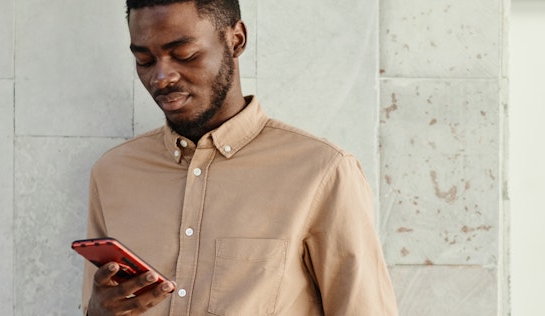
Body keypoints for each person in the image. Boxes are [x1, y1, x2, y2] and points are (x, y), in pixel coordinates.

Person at [81, 0, 398, 315]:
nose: (161, 77)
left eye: (184, 55)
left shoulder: (323, 171)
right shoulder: (113, 173)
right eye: (145, 60)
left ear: (236, 40)